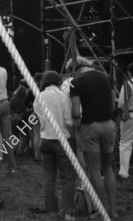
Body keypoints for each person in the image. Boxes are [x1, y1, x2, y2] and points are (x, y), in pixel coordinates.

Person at [69, 57, 117, 219]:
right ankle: (113, 210)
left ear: (73, 69)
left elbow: (76, 112)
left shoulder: (76, 82)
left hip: (90, 127)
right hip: (109, 125)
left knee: (94, 170)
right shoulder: (106, 77)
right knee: (108, 167)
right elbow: (113, 104)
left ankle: (101, 210)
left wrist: (76, 122)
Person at [34, 71, 76, 220]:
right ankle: (68, 211)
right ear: (58, 81)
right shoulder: (63, 96)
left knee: (49, 177)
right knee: (67, 177)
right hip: (61, 139)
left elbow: (39, 118)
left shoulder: (38, 96)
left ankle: (51, 209)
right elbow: (69, 120)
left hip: (45, 139)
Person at [117, 62, 133, 179]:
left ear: (129, 72)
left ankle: (123, 172)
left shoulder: (128, 84)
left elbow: (122, 104)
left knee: (125, 143)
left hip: (130, 116)